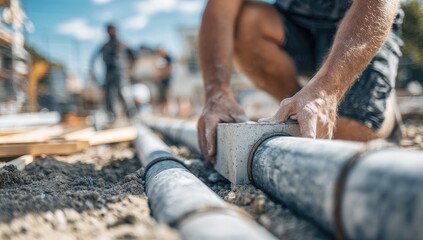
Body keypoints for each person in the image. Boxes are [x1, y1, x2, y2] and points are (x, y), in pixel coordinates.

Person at [197, 0, 403, 162]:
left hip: (362, 25)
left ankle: (381, 108)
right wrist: (217, 92)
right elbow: (221, 7)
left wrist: (326, 91)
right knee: (247, 21)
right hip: (295, 28)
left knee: (345, 139)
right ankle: (299, 108)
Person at [90, 23, 137, 122]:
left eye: (113, 29)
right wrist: (94, 74)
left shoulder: (122, 44)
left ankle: (131, 114)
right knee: (109, 94)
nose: (111, 32)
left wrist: (130, 69)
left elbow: (134, 56)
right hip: (108, 73)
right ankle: (112, 115)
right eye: (109, 30)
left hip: (120, 72)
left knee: (124, 92)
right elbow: (93, 60)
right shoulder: (105, 46)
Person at [155, 48, 173, 113]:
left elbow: (170, 70)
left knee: (166, 97)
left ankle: (167, 111)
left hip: (167, 81)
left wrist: (162, 73)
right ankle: (162, 111)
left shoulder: (169, 58)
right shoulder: (162, 59)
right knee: (161, 97)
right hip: (162, 81)